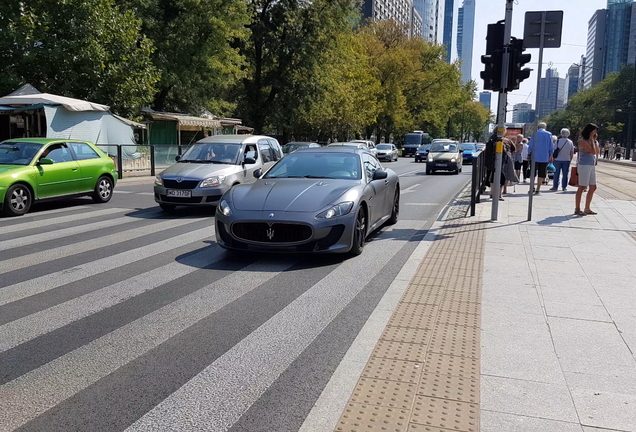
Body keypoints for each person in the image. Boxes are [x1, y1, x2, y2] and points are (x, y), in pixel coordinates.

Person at [575, 123, 600, 215]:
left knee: (593, 187)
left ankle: (587, 208)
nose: (596, 133)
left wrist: (593, 140)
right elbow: (593, 151)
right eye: (594, 131)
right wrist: (592, 140)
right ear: (589, 131)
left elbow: (597, 151)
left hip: (591, 165)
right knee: (582, 187)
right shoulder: (583, 141)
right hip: (584, 165)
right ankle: (577, 208)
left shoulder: (595, 141)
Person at [527, 122, 553, 195]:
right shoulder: (549, 134)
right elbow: (551, 145)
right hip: (544, 157)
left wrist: (529, 153)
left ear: (538, 127)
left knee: (533, 173)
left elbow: (531, 145)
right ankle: (538, 188)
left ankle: (531, 187)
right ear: (545, 127)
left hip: (534, 156)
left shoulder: (534, 134)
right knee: (542, 173)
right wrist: (550, 154)